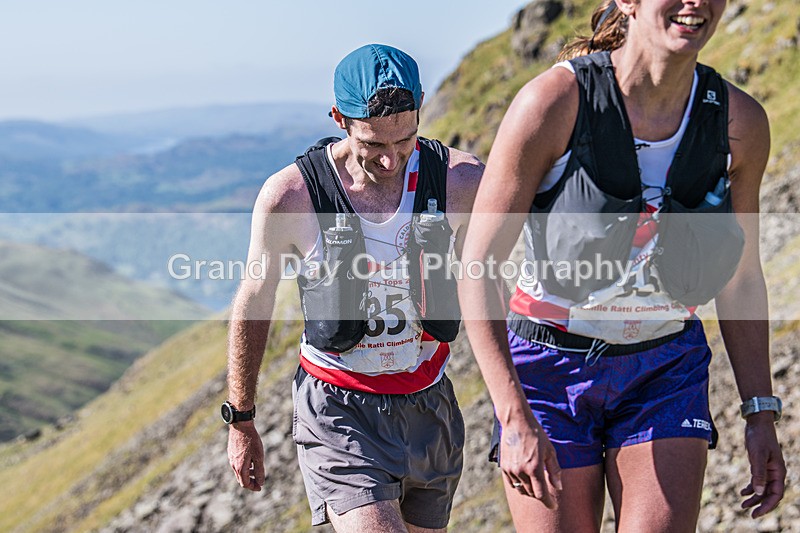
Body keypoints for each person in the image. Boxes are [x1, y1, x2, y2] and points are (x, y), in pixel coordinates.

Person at [458, 0, 786, 531]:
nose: (696, 3)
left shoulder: (739, 122)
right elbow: (476, 265)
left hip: (665, 366)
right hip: (547, 370)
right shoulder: (553, 102)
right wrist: (512, 415)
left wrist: (760, 411)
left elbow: (743, 275)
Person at [224, 44, 483, 533]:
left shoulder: (463, 183)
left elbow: (492, 283)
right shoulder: (291, 197)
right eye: (372, 145)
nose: (390, 161)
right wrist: (241, 420)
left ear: (422, 106)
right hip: (340, 407)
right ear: (338, 118)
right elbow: (254, 299)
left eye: (404, 142)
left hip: (430, 402)